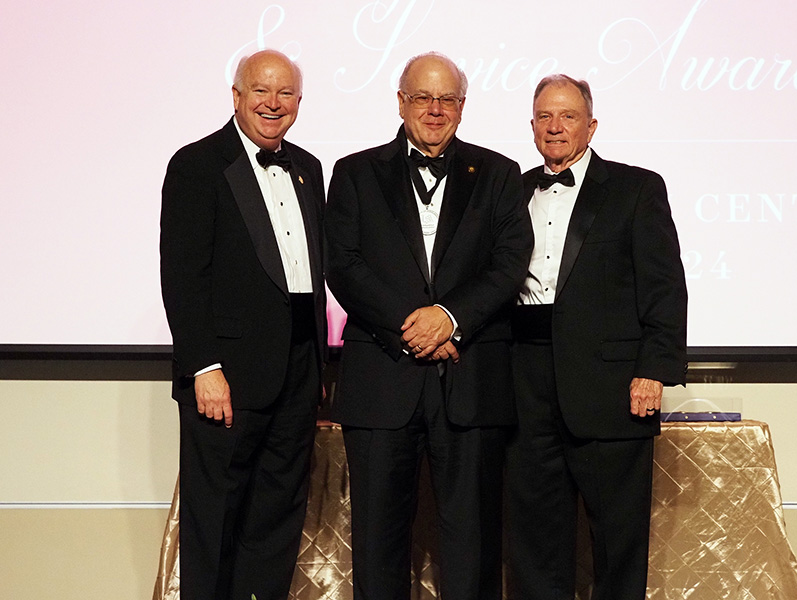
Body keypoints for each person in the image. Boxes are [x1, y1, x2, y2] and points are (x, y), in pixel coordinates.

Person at [324, 52, 532, 600]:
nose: (434, 110)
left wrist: (449, 319)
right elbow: (342, 264)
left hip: (471, 382)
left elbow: (510, 263)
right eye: (422, 97)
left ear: (462, 106)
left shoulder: (500, 174)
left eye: (447, 99)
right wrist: (408, 326)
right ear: (401, 102)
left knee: (473, 542)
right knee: (378, 540)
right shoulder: (354, 172)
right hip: (381, 379)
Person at [505, 74, 688, 600]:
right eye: (544, 116)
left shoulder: (636, 187)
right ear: (532, 125)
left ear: (591, 124)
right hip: (524, 380)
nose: (555, 126)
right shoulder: (512, 190)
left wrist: (653, 368)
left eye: (567, 116)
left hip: (611, 387)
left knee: (617, 540)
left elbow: (664, 286)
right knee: (535, 537)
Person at [159, 49, 326, 600]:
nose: (273, 104)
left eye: (285, 94)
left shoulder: (308, 168)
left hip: (297, 374)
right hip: (225, 379)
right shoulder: (197, 164)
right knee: (214, 522)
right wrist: (204, 367)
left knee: (276, 520)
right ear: (237, 97)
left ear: (299, 102)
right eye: (261, 91)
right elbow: (183, 277)